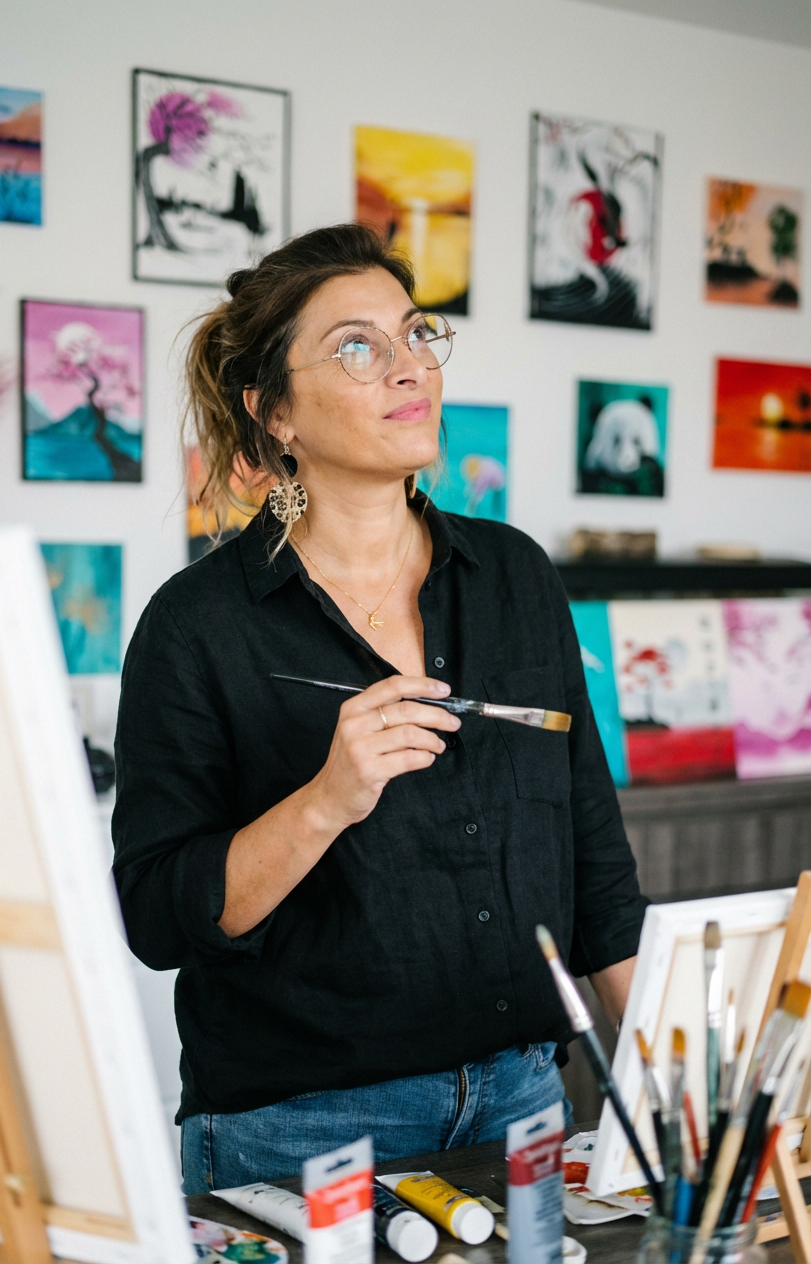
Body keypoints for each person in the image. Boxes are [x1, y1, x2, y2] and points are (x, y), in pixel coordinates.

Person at [112, 223, 647, 1194]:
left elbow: (593, 858)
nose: (408, 367)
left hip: (527, 1102)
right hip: (301, 1131)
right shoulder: (197, 626)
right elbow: (157, 915)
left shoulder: (513, 576)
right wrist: (327, 795)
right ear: (272, 412)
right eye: (357, 346)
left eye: (413, 335)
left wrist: (657, 1083)